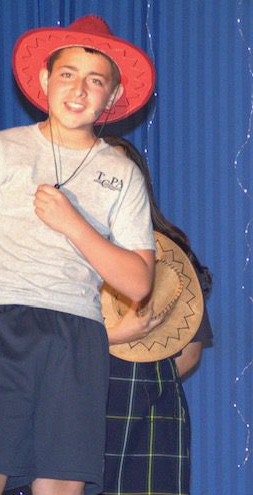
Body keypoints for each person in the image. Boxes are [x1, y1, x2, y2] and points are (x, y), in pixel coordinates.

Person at [0, 15, 157, 495]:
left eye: (96, 81)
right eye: (67, 74)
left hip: (77, 333)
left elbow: (138, 282)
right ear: (46, 81)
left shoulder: (122, 173)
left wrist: (73, 223)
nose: (78, 89)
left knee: (62, 480)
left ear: (111, 97)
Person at [101, 136, 213, 495]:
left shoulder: (167, 255)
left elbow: (190, 350)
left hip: (150, 415)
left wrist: (144, 375)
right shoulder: (56, 250)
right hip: (71, 406)